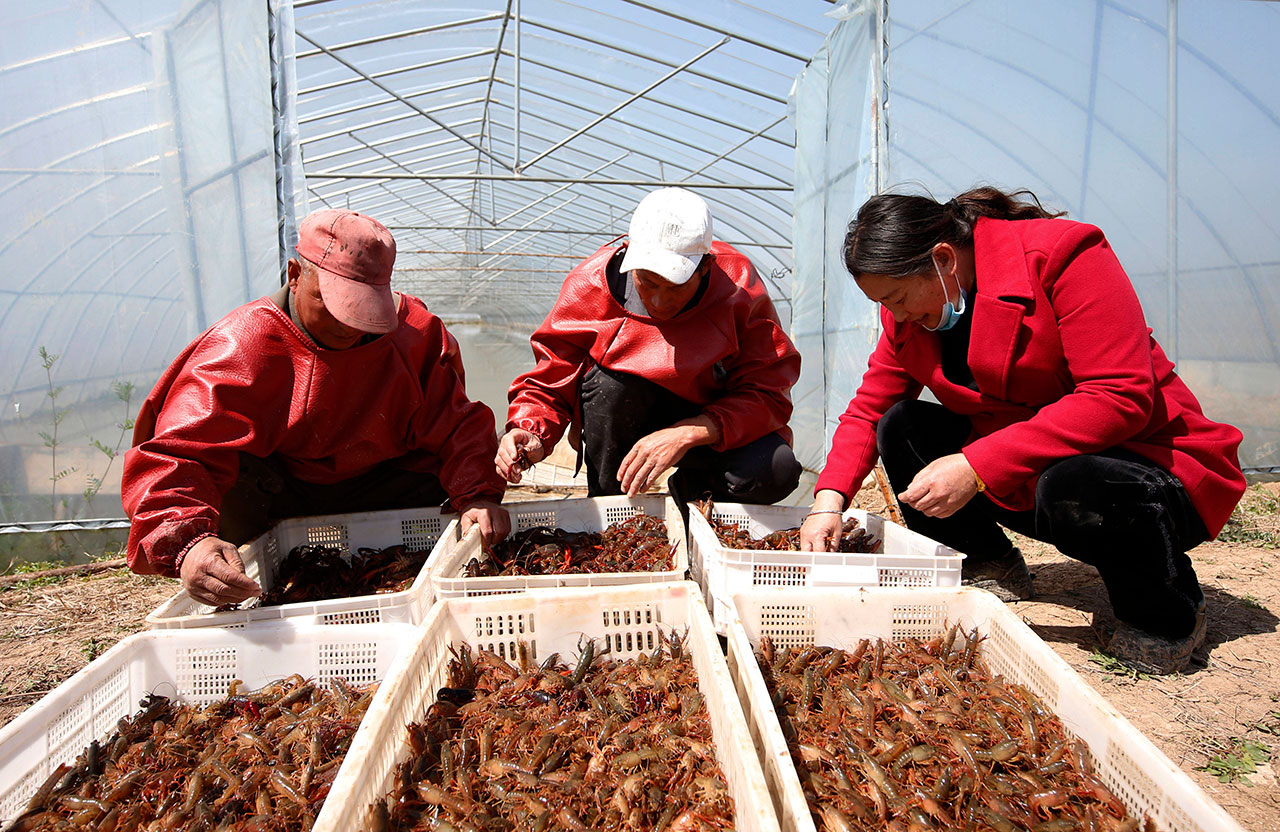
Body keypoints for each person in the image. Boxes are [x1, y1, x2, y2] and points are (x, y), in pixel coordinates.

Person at [798, 187, 1246, 674]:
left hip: (1148, 468)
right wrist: (828, 502)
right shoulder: (912, 318)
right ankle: (988, 560)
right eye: (885, 303)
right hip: (1033, 471)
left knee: (1076, 485)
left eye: (899, 297)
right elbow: (867, 410)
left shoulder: (1062, 255)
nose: (897, 314)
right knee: (901, 426)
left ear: (944, 258)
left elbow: (1119, 395)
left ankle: (1169, 613)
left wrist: (976, 464)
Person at [122, 209, 510, 606]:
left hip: (384, 486)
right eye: (331, 302)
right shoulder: (243, 345)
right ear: (294, 275)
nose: (349, 326)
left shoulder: (414, 338)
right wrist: (189, 542)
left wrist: (477, 495)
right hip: (279, 493)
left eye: (365, 310)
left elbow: (457, 424)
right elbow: (181, 451)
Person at [497, 187, 802, 504]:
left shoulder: (738, 289)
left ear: (706, 267)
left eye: (675, 286)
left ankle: (694, 496)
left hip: (709, 424)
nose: (659, 300)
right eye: (647, 281)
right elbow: (553, 376)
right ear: (629, 255)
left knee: (774, 469)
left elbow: (768, 391)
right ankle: (608, 498)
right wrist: (531, 429)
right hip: (625, 419)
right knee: (609, 385)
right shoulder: (590, 284)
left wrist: (688, 432)